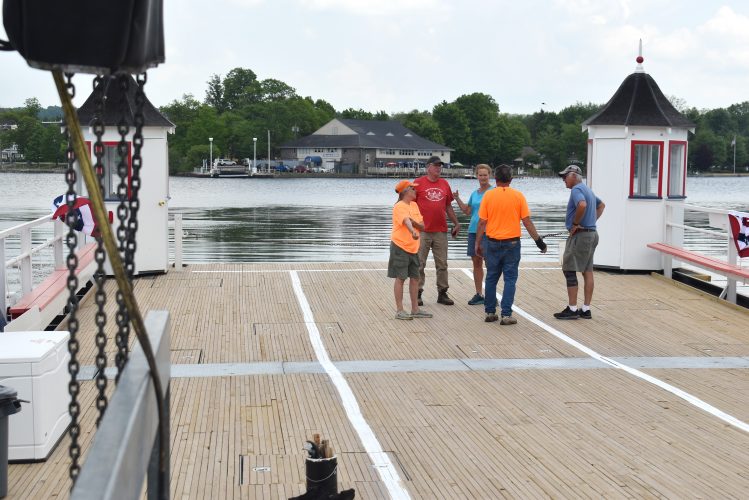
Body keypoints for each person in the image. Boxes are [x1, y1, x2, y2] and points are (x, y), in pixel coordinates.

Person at [476, 165, 547, 325]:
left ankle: (490, 311)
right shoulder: (518, 196)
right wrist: (539, 242)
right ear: (511, 179)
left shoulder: (488, 196)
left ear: (495, 179)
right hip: (512, 243)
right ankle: (506, 314)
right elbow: (527, 221)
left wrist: (478, 243)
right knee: (510, 279)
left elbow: (482, 222)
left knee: (491, 277)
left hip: (492, 242)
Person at [553, 165, 605, 320]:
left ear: (574, 176)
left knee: (569, 269)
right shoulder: (587, 189)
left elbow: (582, 205)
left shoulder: (576, 190)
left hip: (581, 236)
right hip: (592, 234)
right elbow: (601, 205)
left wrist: (575, 224)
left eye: (565, 176)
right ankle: (586, 309)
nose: (563, 179)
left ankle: (572, 309)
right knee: (587, 271)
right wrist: (590, 222)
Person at [414, 156, 461, 306]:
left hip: (440, 230)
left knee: (442, 264)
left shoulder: (444, 183)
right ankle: (417, 293)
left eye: (440, 166)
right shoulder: (418, 183)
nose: (438, 168)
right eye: (435, 165)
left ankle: (442, 293)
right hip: (422, 230)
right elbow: (409, 205)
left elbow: (448, 206)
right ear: (428, 167)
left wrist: (456, 223)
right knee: (419, 263)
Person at [388, 180, 433, 320]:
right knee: (400, 277)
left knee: (415, 278)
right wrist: (412, 230)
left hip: (413, 247)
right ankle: (399, 310)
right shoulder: (399, 206)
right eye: (412, 188)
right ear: (405, 191)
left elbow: (423, 226)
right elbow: (406, 221)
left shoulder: (414, 205)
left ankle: (415, 309)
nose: (415, 190)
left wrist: (415, 226)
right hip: (400, 246)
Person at [453, 164, 493, 305]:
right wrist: (457, 198)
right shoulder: (475, 193)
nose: (483, 177)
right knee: (476, 263)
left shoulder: (493, 192)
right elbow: (467, 211)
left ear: (489, 175)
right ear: (476, 176)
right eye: (480, 175)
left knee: (490, 264)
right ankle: (479, 294)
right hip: (473, 231)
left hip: (488, 232)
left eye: (485, 175)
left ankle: (491, 295)